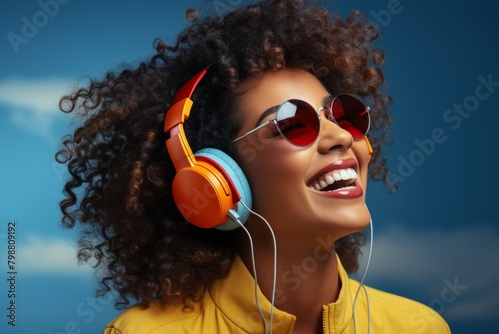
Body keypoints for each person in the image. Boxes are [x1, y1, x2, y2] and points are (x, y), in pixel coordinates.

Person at [56, 0, 451, 333]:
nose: (342, 137)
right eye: (293, 124)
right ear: (218, 179)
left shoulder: (418, 326)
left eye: (342, 115)